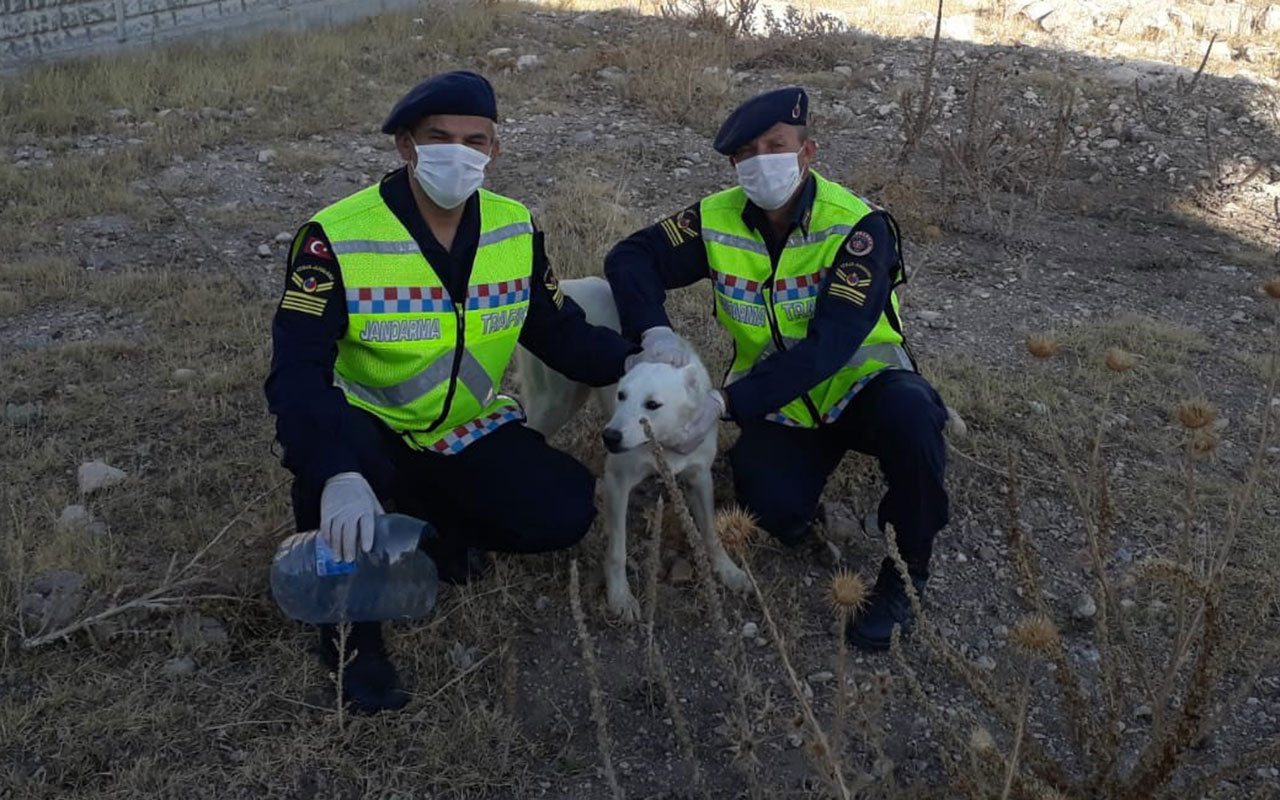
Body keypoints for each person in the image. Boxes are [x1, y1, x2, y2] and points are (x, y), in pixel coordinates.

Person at [265, 71, 638, 712]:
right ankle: (352, 641)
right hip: (367, 424)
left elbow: (557, 332)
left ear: (494, 151)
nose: (458, 154)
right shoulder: (335, 237)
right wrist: (335, 470)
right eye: (439, 138)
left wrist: (639, 362)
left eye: (476, 140)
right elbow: (296, 371)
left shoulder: (514, 229)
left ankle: (429, 532)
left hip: (464, 427)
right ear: (406, 145)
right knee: (334, 485)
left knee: (565, 507)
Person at [605, 87, 950, 651]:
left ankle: (906, 574)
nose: (761, 161)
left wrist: (723, 403)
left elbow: (830, 345)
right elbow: (630, 256)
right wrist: (653, 328)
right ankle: (810, 513)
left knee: (913, 420)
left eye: (776, 145)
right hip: (783, 405)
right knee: (769, 509)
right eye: (746, 152)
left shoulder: (860, 228)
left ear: (807, 152)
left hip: (863, 390)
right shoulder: (714, 219)